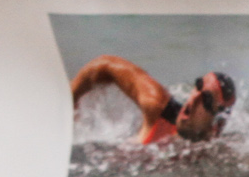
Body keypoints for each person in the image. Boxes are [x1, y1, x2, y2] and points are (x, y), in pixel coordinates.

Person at [71, 56, 236, 145]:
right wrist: (71, 101)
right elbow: (105, 64)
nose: (193, 99)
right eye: (198, 85)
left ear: (215, 126)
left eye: (206, 100)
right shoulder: (157, 107)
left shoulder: (218, 150)